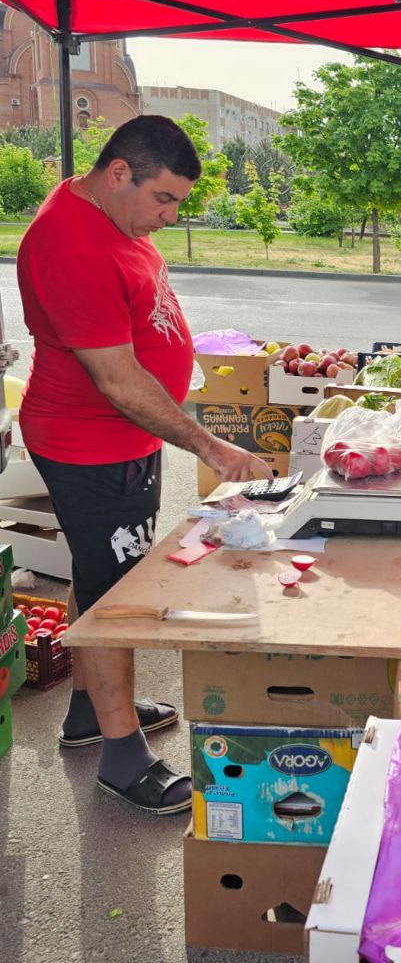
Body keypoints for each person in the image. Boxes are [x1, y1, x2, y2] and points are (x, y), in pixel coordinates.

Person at [18, 115, 272, 815]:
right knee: (116, 600)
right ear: (120, 172)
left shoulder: (111, 219)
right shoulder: (69, 245)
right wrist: (211, 447)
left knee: (106, 576)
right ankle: (121, 755)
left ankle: (83, 714)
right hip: (88, 442)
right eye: (165, 200)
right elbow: (120, 383)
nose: (170, 216)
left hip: (122, 441)